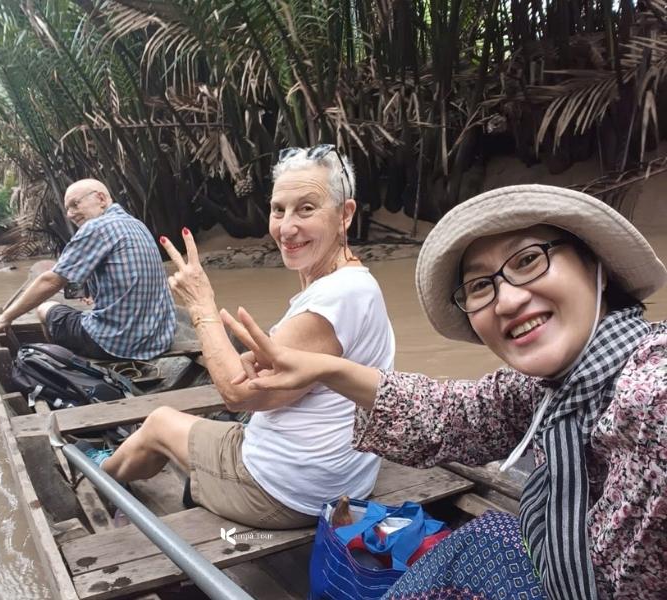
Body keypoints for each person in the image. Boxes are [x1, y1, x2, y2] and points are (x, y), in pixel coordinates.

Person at [221, 184, 667, 599]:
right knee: (484, 534)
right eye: (480, 286)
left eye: (529, 260)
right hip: (568, 572)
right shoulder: (552, 389)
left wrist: (204, 307)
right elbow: (457, 415)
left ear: (597, 267)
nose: (508, 301)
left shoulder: (648, 395)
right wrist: (327, 368)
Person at [84, 145, 395, 529]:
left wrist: (201, 304)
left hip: (291, 492)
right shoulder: (354, 283)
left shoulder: (334, 298)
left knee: (159, 421)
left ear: (344, 214)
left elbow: (237, 396)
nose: (286, 227)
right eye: (279, 209)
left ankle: (100, 474)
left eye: (307, 209)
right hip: (345, 479)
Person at [0, 179, 176, 360]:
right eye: (67, 209)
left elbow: (51, 281)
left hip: (118, 343)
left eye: (75, 204)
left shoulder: (97, 227)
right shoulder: (137, 224)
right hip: (159, 341)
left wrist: (3, 320)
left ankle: (67, 364)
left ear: (100, 198)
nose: (70, 214)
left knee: (45, 308)